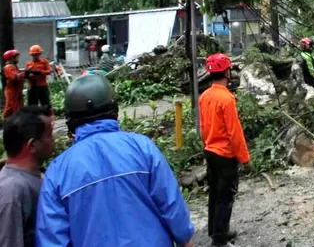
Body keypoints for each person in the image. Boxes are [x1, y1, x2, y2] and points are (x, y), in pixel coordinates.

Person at [36, 74, 195, 247]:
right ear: (114, 108)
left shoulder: (57, 171)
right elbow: (170, 203)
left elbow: (52, 238)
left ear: (70, 120)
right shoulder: (142, 147)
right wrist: (185, 239)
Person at [199, 53, 250, 247]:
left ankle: (216, 230)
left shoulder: (205, 96)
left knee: (214, 193)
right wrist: (245, 159)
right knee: (226, 197)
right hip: (225, 155)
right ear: (227, 72)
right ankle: (219, 240)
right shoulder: (226, 99)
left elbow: (204, 127)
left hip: (210, 151)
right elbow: (234, 133)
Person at [0, 106, 55, 247]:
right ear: (31, 145)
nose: (53, 139)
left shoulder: (33, 177)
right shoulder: (12, 191)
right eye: (49, 134)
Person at [25, 45, 53, 111]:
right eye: (33, 55)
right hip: (32, 87)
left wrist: (40, 72)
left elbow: (50, 71)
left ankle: (48, 119)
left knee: (46, 104)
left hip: (42, 86)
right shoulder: (28, 63)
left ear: (40, 54)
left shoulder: (44, 61)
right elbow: (25, 76)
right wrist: (27, 74)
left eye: (37, 54)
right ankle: (33, 119)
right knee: (32, 105)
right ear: (31, 55)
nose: (35, 56)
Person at [3, 50, 29, 119]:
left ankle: (18, 123)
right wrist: (25, 73)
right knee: (12, 107)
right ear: (11, 58)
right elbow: (15, 76)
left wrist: (25, 72)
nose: (18, 59)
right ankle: (8, 123)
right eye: (16, 57)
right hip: (12, 92)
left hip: (16, 91)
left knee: (18, 107)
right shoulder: (8, 67)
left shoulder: (13, 66)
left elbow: (18, 73)